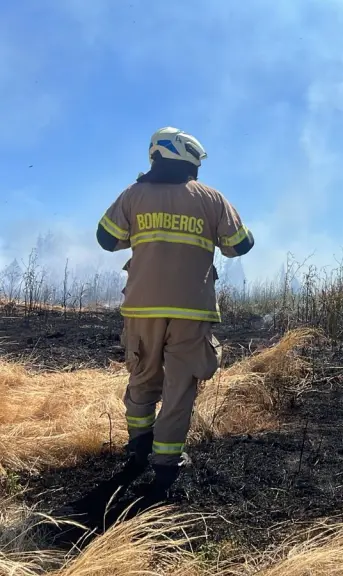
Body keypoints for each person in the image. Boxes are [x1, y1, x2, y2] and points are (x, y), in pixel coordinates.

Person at [59, 127, 254, 527]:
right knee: (180, 387)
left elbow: (105, 239)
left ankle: (137, 449)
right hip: (192, 311)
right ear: (188, 161)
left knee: (143, 377)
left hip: (142, 308)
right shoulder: (212, 198)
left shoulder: (133, 196)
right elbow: (242, 244)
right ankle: (165, 468)